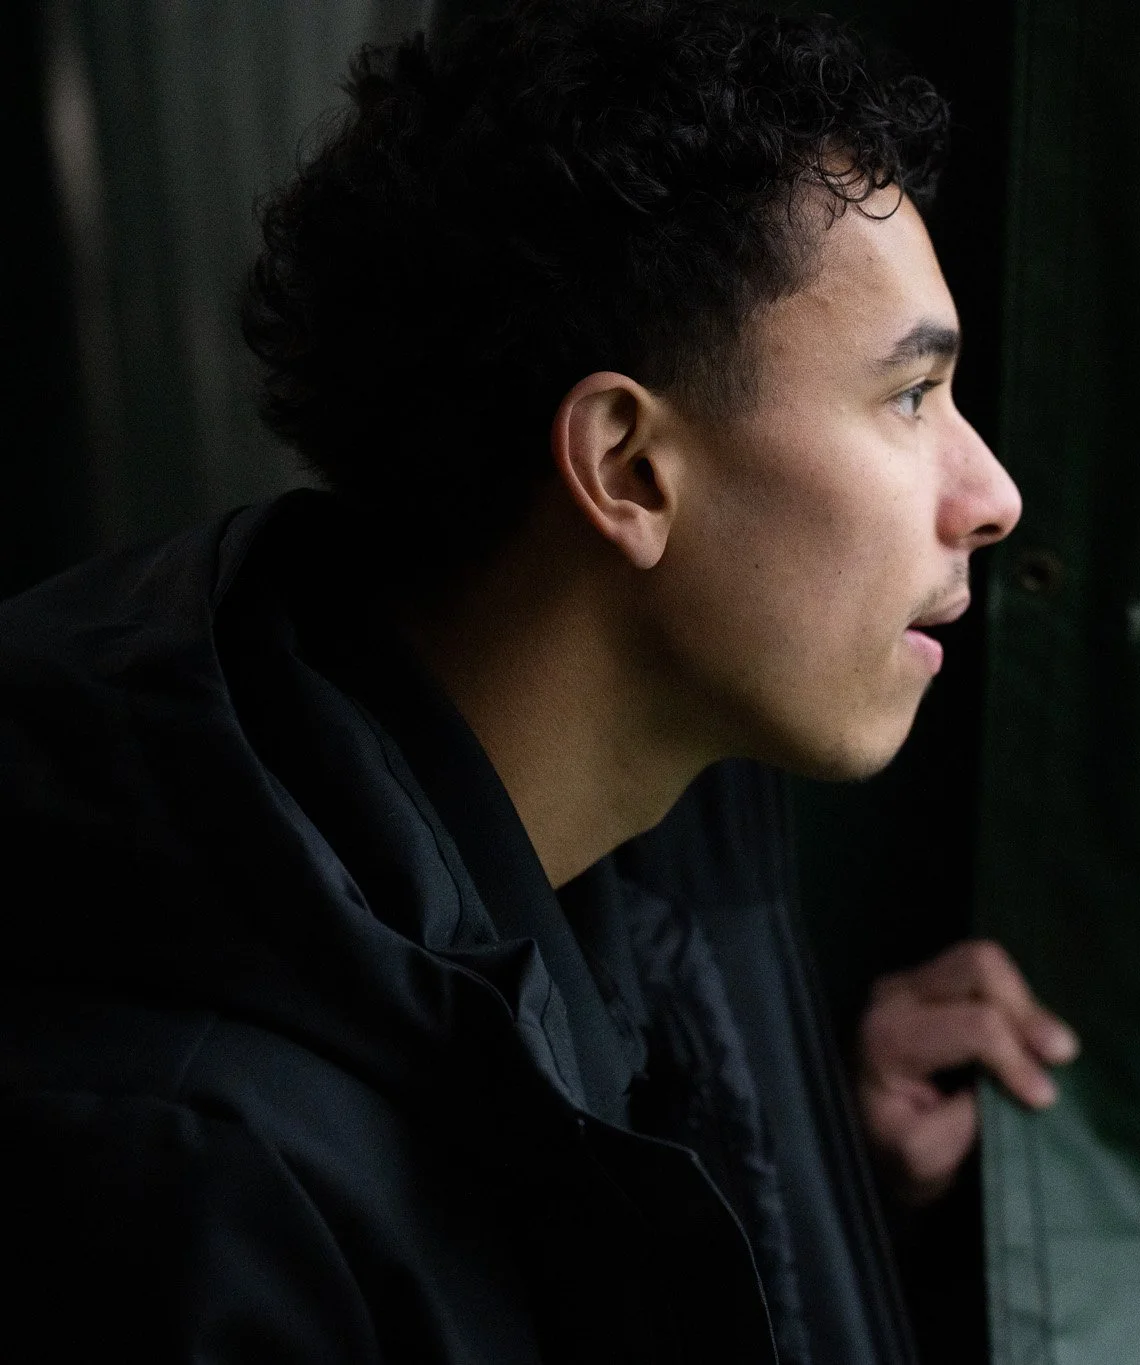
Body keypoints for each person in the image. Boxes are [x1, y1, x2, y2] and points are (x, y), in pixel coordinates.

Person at [0, 2, 1070, 1360]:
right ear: (626, 468)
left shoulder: (634, 877)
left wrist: (808, 1183)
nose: (994, 495)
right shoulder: (194, 1186)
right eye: (910, 396)